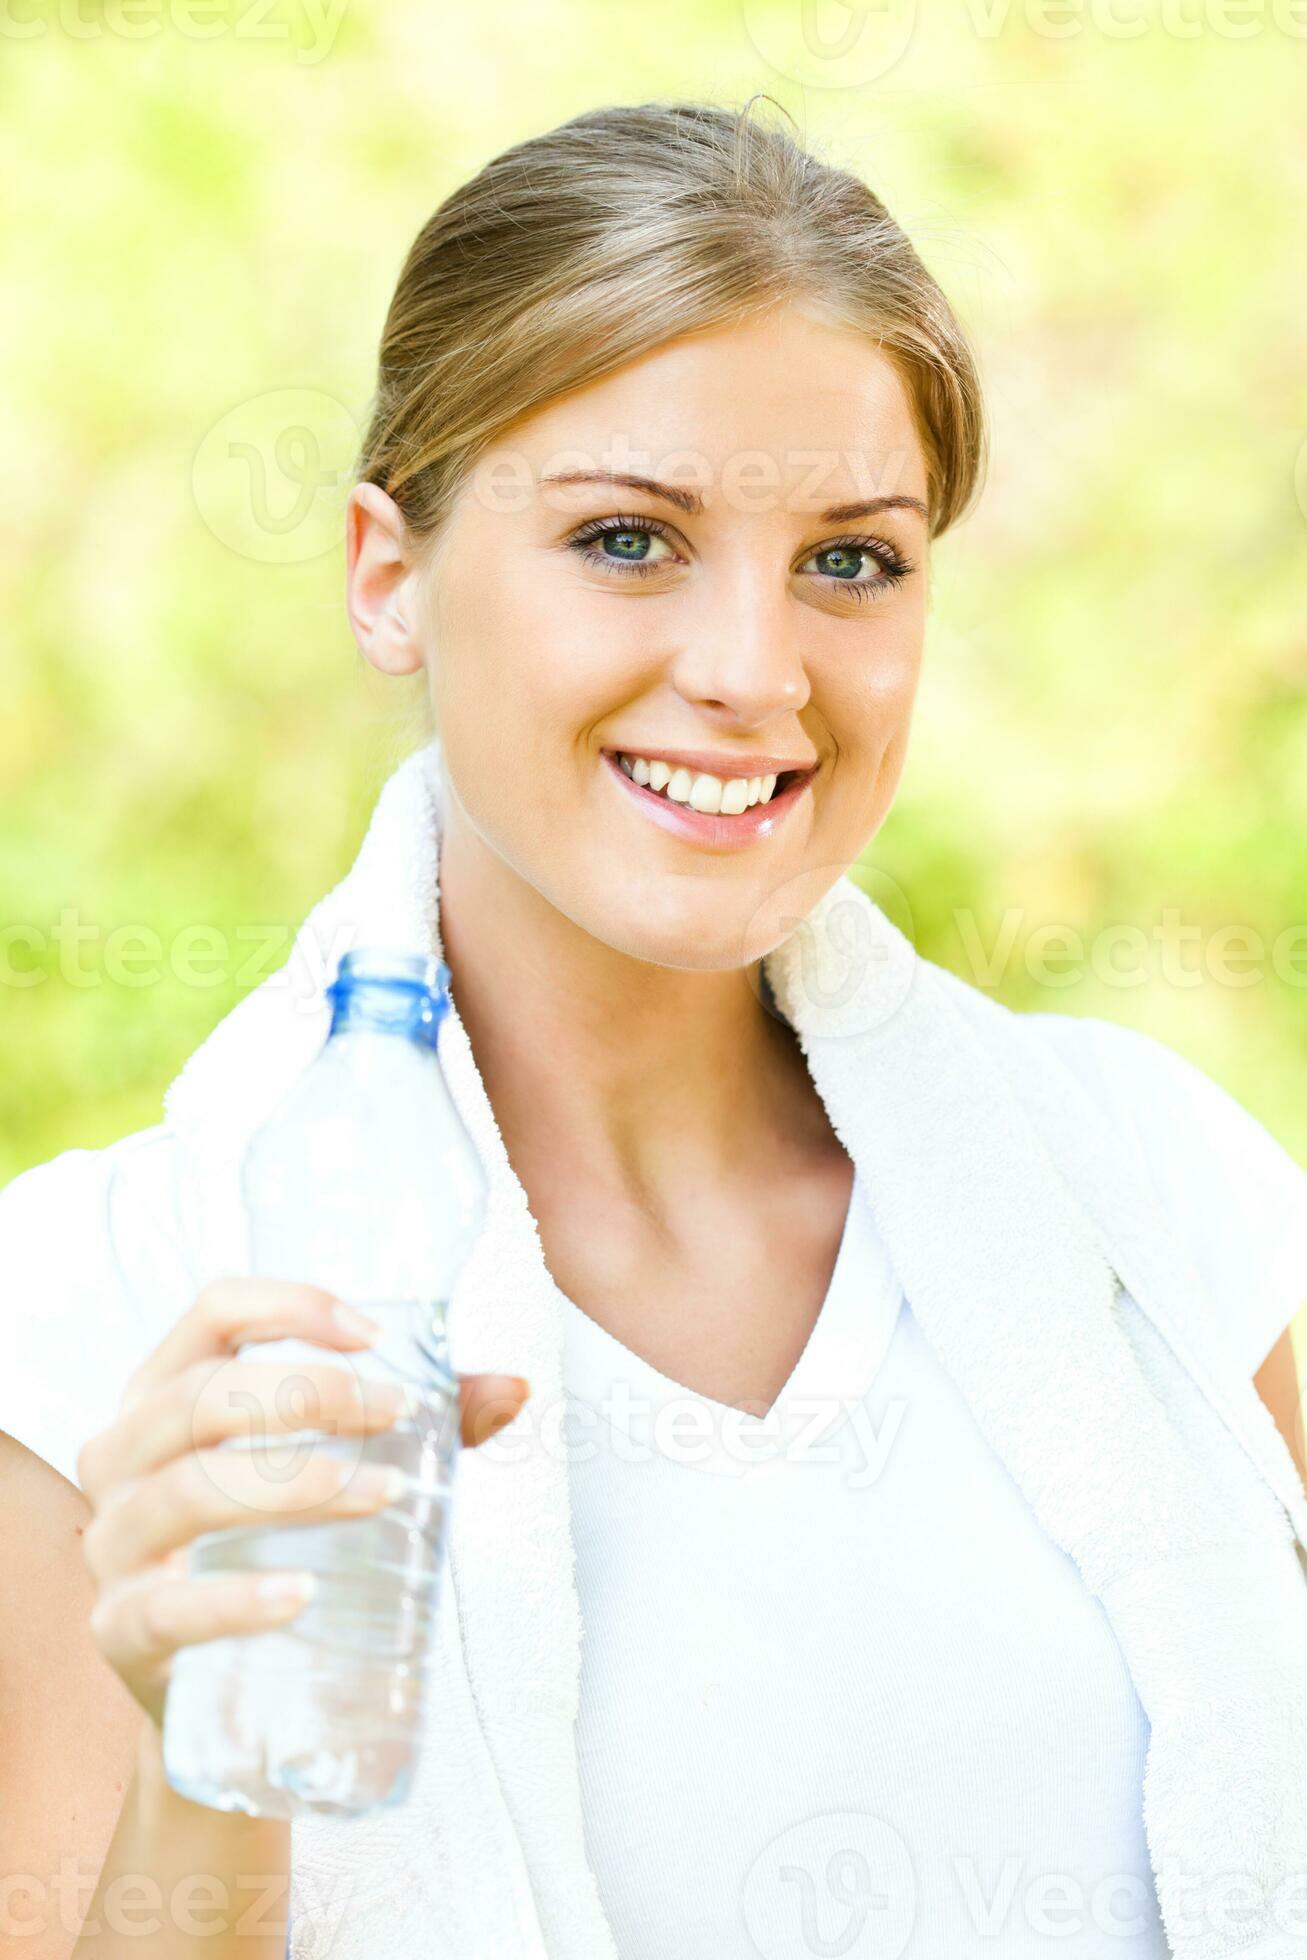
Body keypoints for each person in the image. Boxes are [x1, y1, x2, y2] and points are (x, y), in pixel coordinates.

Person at [3, 97, 1306, 1960]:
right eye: (628, 538)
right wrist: (217, 1759)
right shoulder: (95, 1328)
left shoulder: (1162, 1211)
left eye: (852, 560)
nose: (754, 672)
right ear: (389, 574)